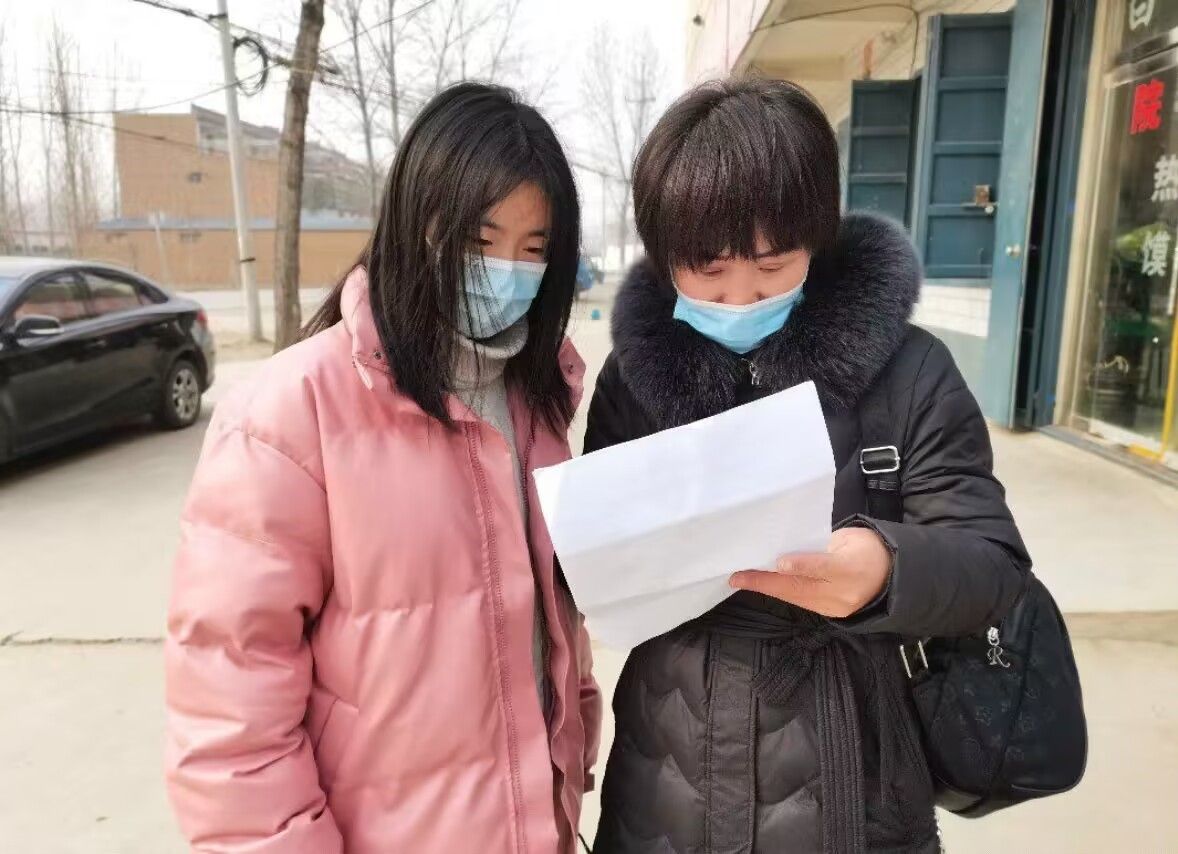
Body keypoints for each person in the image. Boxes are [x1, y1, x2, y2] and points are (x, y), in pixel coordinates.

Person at [585, 78, 1031, 853]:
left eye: (772, 263)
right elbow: (590, 547)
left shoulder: (910, 371)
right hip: (667, 771)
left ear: (816, 240)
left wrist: (888, 569)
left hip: (855, 776)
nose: (739, 296)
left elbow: (993, 567)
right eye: (706, 268)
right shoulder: (635, 377)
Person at [165, 82, 601, 854]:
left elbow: (549, 624)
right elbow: (230, 709)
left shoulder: (538, 401)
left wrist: (576, 735)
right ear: (414, 223)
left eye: (533, 250)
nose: (506, 269)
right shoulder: (291, 412)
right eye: (480, 239)